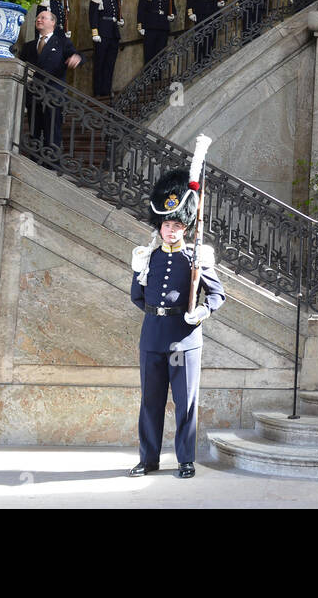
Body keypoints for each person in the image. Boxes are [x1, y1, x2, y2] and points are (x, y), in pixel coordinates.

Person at [129, 169, 225, 479]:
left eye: (178, 225)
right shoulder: (148, 258)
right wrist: (158, 313)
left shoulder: (196, 258)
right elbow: (137, 296)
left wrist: (201, 312)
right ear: (160, 227)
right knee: (151, 403)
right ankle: (149, 458)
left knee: (185, 403)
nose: (172, 231)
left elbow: (218, 294)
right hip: (153, 338)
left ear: (185, 228)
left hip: (184, 339)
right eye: (168, 225)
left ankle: (185, 459)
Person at [20, 8, 83, 157]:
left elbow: (75, 54)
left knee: (52, 130)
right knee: (34, 129)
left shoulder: (62, 42)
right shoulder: (29, 46)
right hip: (34, 94)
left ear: (53, 22)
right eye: (37, 18)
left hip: (53, 95)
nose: (39, 20)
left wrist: (77, 58)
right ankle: (34, 159)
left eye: (43, 17)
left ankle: (52, 162)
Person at [88, 0, 122, 99]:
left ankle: (106, 90)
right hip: (102, 34)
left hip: (113, 34)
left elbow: (116, 13)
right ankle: (97, 92)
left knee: (110, 64)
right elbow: (93, 16)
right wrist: (95, 32)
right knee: (99, 64)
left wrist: (120, 20)